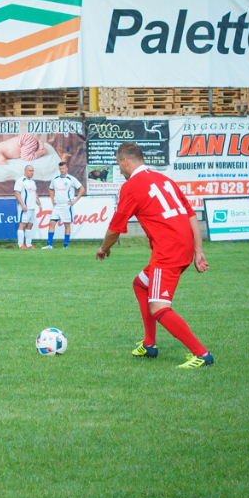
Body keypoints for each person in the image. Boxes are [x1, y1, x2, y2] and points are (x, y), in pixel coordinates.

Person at [96, 142, 214, 369]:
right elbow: (190, 215)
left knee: (159, 307)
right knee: (141, 284)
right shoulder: (164, 180)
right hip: (183, 246)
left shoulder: (132, 186)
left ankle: (202, 354)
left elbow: (115, 228)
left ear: (125, 162)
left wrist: (104, 248)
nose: (119, 169)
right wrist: (198, 250)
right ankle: (150, 344)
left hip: (168, 252)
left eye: (119, 164)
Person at [45, 160, 85, 249]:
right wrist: (52, 199)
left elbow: (82, 189)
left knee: (67, 225)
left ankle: (66, 245)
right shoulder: (55, 179)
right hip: (57, 206)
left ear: (67, 169)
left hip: (67, 206)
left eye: (63, 168)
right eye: (60, 169)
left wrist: (75, 201)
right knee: (51, 223)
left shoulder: (71, 179)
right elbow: (51, 189)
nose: (62, 170)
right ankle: (49, 245)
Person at [14, 163, 38, 249]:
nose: (32, 172)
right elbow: (17, 193)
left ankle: (28, 244)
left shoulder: (32, 182)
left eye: (33, 171)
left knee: (30, 225)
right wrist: (23, 204)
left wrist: (38, 203)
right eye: (30, 171)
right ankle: (21, 245)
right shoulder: (20, 181)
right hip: (25, 207)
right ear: (25, 171)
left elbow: (34, 193)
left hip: (32, 207)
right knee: (22, 225)